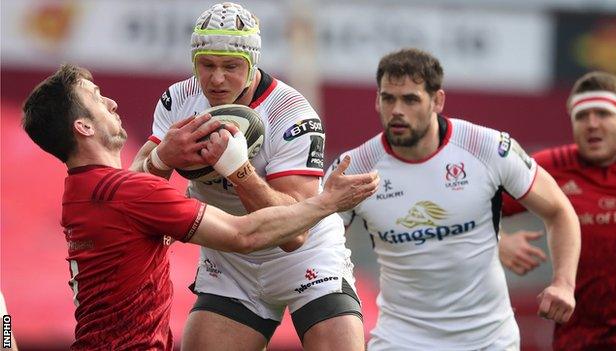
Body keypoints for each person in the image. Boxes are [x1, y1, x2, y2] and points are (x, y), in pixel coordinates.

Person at [22, 64, 378, 350]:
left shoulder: (81, 191)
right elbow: (244, 234)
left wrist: (162, 157)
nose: (113, 104)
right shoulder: (130, 193)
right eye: (98, 100)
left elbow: (142, 208)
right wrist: (327, 202)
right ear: (83, 126)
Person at [129, 3, 367, 350]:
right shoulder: (177, 99)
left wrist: (241, 173)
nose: (217, 79)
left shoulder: (292, 113)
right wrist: (163, 158)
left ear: (253, 64)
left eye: (231, 66)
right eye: (206, 65)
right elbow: (131, 191)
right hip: (230, 261)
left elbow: (294, 235)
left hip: (305, 259)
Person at [326, 48, 581, 350]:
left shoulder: (486, 147)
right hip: (400, 340)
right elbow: (313, 245)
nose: (396, 110)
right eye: (388, 98)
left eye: (410, 99)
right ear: (377, 101)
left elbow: (560, 211)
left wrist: (564, 283)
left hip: (489, 341)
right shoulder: (354, 168)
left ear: (438, 101)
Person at [499, 71, 616, 350]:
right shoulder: (552, 167)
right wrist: (499, 242)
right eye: (582, 116)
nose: (591, 124)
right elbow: (468, 206)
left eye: (602, 114)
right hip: (579, 339)